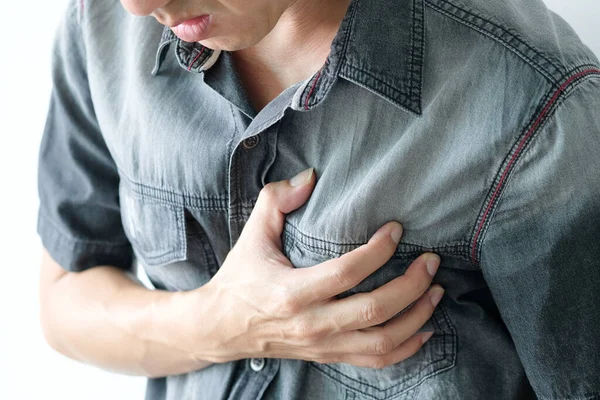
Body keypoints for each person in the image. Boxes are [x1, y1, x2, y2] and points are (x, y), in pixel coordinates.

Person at [37, 0, 600, 398]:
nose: (139, 6)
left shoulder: (535, 106)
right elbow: (64, 300)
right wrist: (218, 324)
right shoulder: (101, 22)